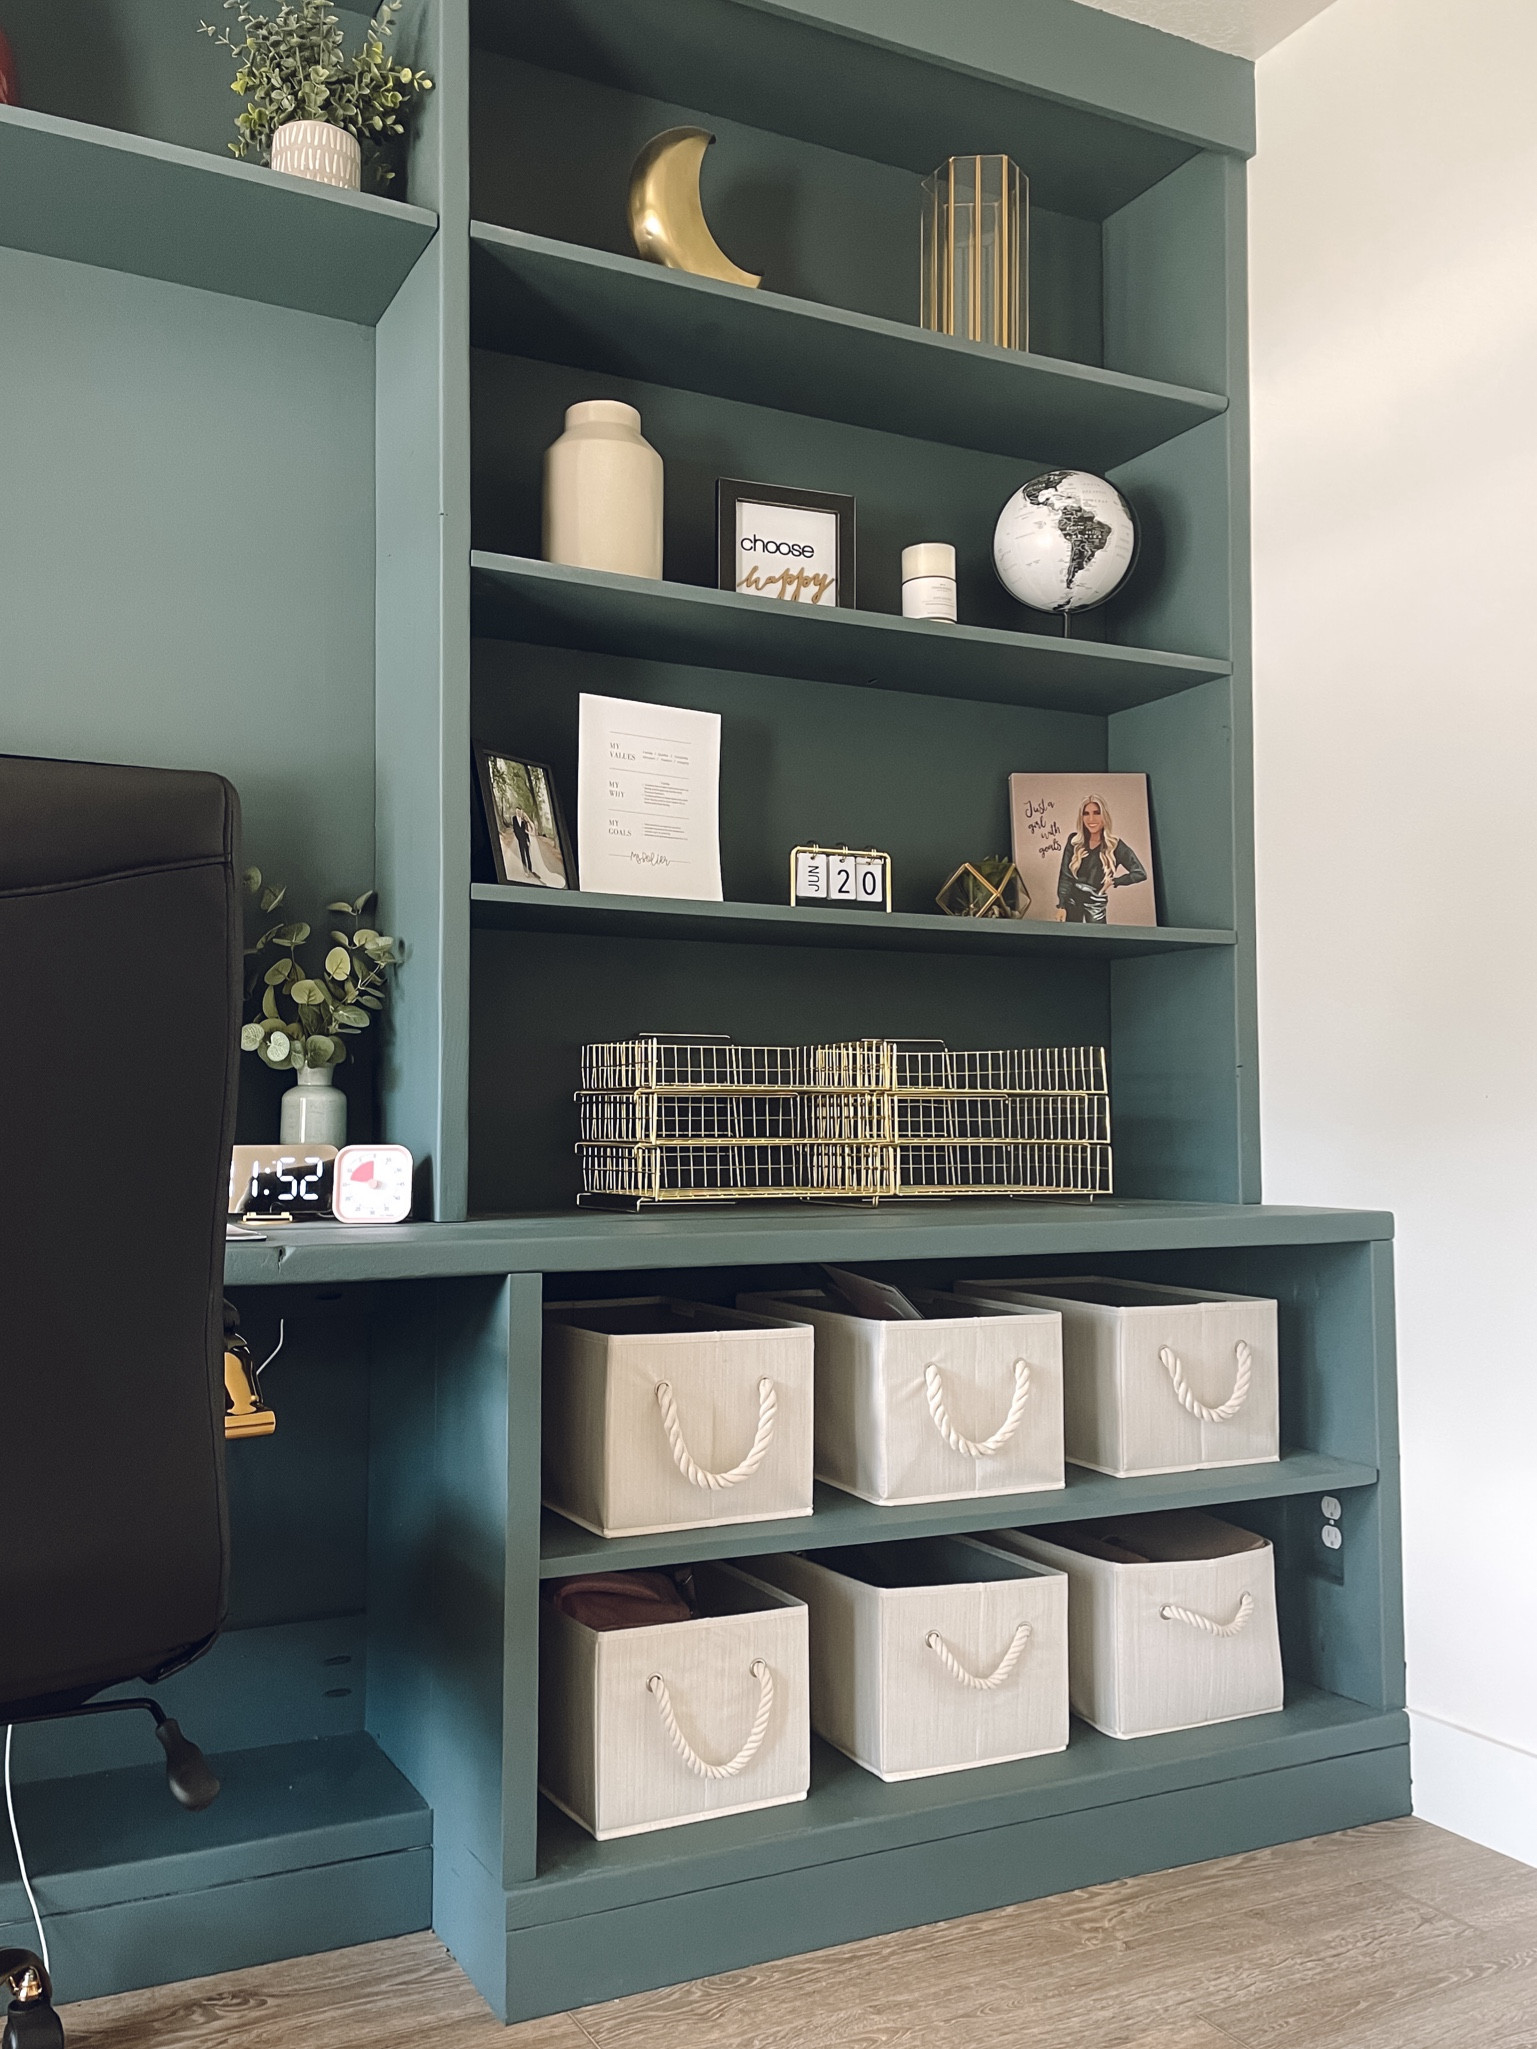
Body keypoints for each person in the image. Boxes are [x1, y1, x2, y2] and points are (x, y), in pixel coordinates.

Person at [1056, 795, 1147, 923]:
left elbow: (1140, 873)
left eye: (1097, 813)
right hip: (1072, 901)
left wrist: (1115, 881)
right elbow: (1065, 876)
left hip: (1095, 903)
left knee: (1096, 939)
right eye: (1086, 814)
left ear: (1105, 816)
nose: (1091, 819)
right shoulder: (1074, 841)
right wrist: (1061, 905)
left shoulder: (1115, 845)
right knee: (1073, 940)